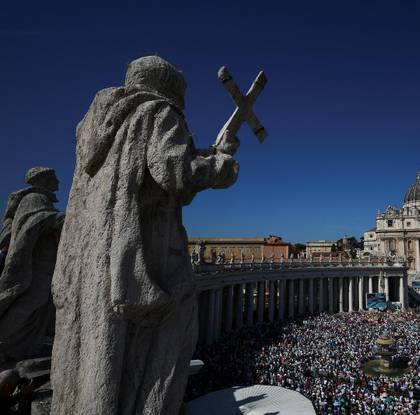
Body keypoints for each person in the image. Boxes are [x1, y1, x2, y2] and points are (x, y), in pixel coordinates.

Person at [51, 56, 240, 415]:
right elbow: (175, 172)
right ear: (171, 88)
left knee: (94, 354)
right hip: (144, 258)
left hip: (90, 261)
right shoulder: (158, 112)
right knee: (172, 336)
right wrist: (223, 165)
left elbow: (155, 172)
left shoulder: (97, 126)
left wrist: (210, 151)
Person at [0, 167, 64, 362]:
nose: (59, 182)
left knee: (40, 303)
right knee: (31, 301)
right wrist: (63, 218)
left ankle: (24, 345)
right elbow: (34, 221)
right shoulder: (35, 197)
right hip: (36, 264)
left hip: (44, 263)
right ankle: (3, 341)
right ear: (44, 180)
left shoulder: (39, 198)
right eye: (54, 178)